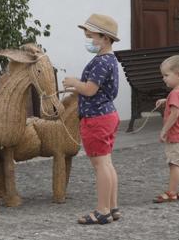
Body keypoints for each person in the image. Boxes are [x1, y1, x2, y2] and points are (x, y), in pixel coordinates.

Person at [62, 13, 121, 225]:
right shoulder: (109, 59)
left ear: (105, 38)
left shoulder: (100, 62)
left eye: (91, 36)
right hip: (107, 115)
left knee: (100, 165)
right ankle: (112, 207)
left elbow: (89, 89)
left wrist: (74, 82)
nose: (88, 40)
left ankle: (102, 210)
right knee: (107, 163)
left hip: (96, 118)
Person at [153, 55, 179, 203]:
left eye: (166, 75)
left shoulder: (175, 93)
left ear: (178, 75)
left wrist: (164, 130)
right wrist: (167, 100)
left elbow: (175, 114)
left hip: (177, 137)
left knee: (173, 164)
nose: (163, 78)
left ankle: (171, 192)